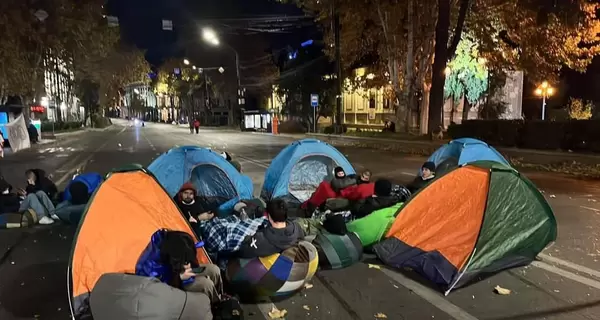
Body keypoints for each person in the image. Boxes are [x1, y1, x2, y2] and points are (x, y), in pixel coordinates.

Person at [159, 230, 224, 304]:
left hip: (179, 270)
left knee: (214, 270)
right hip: (173, 283)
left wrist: (190, 265)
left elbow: (191, 257)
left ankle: (220, 297)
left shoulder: (180, 243)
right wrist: (179, 277)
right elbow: (161, 289)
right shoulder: (154, 265)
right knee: (206, 285)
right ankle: (214, 307)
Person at [237, 199, 304, 258]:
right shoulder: (296, 228)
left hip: (262, 264)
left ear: (269, 216)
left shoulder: (261, 239)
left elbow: (243, 252)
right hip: (284, 262)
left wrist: (248, 238)